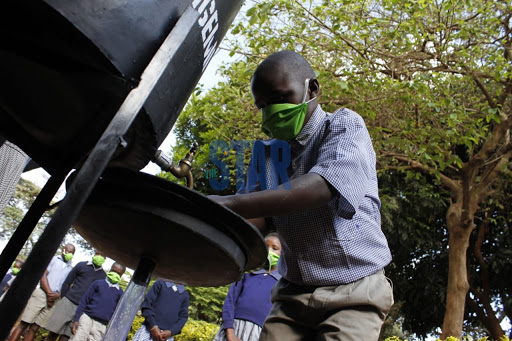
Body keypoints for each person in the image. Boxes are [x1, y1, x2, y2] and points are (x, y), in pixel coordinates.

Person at [209, 50, 393, 341]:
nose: (271, 111)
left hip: (355, 290)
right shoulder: (265, 155)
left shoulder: (344, 126)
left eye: (281, 97)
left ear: (313, 89)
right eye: (263, 106)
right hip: (292, 292)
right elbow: (254, 220)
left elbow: (322, 186)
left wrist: (228, 204)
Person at [213, 232, 282, 341]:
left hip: (259, 334)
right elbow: (229, 303)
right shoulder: (246, 277)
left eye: (274, 248)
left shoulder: (282, 285)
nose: (269, 251)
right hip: (232, 329)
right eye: (265, 247)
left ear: (283, 255)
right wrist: (230, 332)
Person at [9, 243, 75, 341]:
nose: (69, 254)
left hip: (54, 300)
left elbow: (66, 285)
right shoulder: (53, 259)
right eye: (68, 251)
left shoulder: (70, 269)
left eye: (72, 253)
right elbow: (43, 276)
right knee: (24, 323)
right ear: (63, 250)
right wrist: (49, 294)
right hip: (42, 294)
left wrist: (56, 296)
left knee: (35, 328)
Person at [43, 250, 107, 341]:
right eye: (98, 254)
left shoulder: (103, 276)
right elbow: (67, 283)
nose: (99, 256)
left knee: (67, 336)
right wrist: (65, 298)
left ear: (105, 259)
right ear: (94, 254)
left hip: (81, 310)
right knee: (53, 332)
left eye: (102, 255)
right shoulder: (81, 265)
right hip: (68, 302)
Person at [69, 262, 126, 341]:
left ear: (121, 275)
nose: (115, 274)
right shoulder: (98, 284)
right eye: (113, 271)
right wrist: (76, 319)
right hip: (87, 318)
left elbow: (117, 314)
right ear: (110, 270)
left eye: (118, 273)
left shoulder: (120, 292)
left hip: (101, 325)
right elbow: (84, 301)